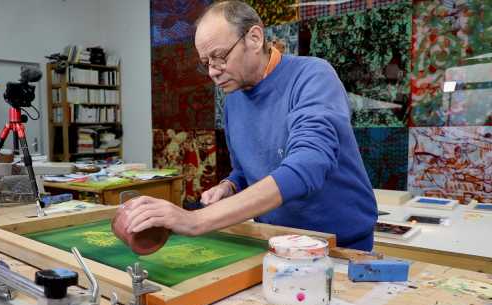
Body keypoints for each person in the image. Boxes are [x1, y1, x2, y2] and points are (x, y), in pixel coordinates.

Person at [123, 0, 377, 250]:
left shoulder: (313, 76)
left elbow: (309, 163)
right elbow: (245, 171)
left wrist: (195, 220)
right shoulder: (233, 100)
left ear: (254, 38)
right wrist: (229, 185)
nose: (213, 71)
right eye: (206, 62)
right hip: (274, 240)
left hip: (339, 243)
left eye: (219, 56)